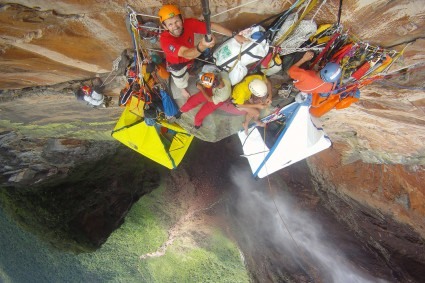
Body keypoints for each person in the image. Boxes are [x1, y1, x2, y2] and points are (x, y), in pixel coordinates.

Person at [158, 4, 247, 99]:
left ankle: (188, 72)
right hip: (176, 64)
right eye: (170, 24)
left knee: (190, 68)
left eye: (177, 21)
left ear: (182, 19)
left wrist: (235, 35)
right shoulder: (165, 40)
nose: (175, 26)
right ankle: (182, 88)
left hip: (191, 57)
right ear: (165, 27)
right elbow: (185, 53)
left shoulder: (188, 23)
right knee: (180, 79)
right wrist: (202, 46)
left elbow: (211, 26)